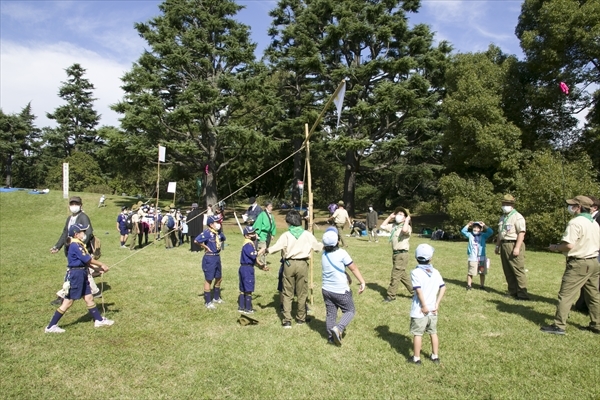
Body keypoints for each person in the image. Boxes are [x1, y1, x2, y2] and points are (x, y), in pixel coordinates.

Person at [541, 195, 600, 335]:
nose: (570, 207)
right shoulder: (594, 222)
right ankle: (597, 324)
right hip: (594, 262)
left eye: (573, 205)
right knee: (593, 295)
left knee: (566, 295)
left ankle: (559, 325)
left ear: (579, 207)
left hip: (579, 263)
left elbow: (569, 245)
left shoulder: (575, 222)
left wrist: (555, 247)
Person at [45, 224, 114, 333]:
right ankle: (51, 326)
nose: (85, 234)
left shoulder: (78, 244)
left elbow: (85, 262)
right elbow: (87, 259)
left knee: (89, 298)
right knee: (68, 302)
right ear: (76, 234)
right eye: (82, 232)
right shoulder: (75, 245)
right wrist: (102, 265)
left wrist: (97, 269)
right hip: (76, 275)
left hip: (82, 273)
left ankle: (98, 320)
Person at [259, 210, 322, 328]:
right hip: (302, 264)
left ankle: (287, 320)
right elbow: (318, 248)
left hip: (289, 264)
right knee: (302, 292)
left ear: (289, 222)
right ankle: (301, 318)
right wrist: (327, 243)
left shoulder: (286, 235)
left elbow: (276, 248)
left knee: (287, 293)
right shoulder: (307, 234)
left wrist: (266, 250)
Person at [50, 196, 101, 304]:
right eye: (72, 204)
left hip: (79, 251)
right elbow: (65, 233)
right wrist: (57, 246)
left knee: (71, 273)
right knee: (84, 273)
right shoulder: (69, 218)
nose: (74, 206)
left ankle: (62, 296)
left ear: (80, 205)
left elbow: (88, 232)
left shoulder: (83, 217)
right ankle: (95, 291)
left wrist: (80, 246)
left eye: (76, 204)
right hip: (71, 250)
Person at [321, 227, 366, 346]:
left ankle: (331, 337)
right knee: (350, 310)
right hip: (340, 290)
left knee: (331, 313)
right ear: (337, 241)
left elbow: (336, 268)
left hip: (326, 290)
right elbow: (354, 268)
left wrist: (346, 275)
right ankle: (339, 328)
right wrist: (362, 282)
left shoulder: (324, 254)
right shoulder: (342, 253)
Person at [407, 243, 446, 365]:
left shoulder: (415, 272)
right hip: (433, 310)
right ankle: (435, 356)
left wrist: (423, 305)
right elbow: (443, 287)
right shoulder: (435, 272)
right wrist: (437, 303)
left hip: (420, 310)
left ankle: (416, 358)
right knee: (433, 332)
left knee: (418, 334)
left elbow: (418, 290)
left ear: (416, 257)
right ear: (430, 258)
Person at [494, 194, 529, 300]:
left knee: (517, 269)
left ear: (512, 205)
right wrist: (497, 245)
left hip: (513, 243)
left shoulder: (517, 217)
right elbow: (501, 233)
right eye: (503, 203)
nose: (504, 205)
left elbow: (521, 233)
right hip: (504, 244)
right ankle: (512, 291)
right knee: (507, 270)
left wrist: (517, 247)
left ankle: (522, 294)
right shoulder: (503, 217)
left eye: (507, 204)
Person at [380, 207, 413, 302]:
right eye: (397, 214)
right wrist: (390, 217)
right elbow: (382, 227)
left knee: (395, 275)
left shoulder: (406, 227)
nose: (398, 215)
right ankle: (415, 292)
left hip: (402, 254)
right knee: (401, 274)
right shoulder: (394, 226)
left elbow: (405, 231)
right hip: (395, 254)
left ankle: (391, 295)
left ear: (405, 217)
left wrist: (407, 221)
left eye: (401, 214)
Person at [195, 215, 227, 309]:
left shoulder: (218, 233)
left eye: (219, 222)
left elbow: (223, 239)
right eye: (216, 222)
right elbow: (196, 240)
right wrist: (205, 247)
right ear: (211, 224)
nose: (218, 224)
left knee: (219, 278)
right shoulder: (207, 233)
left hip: (217, 257)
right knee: (209, 279)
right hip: (209, 258)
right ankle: (208, 301)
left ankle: (216, 297)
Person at [575, 196, 600, 312]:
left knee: (593, 285)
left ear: (594, 207)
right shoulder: (591, 219)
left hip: (594, 255)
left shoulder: (597, 219)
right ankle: (582, 305)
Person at [238, 226, 269, 314]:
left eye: (254, 232)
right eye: (251, 233)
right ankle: (248, 308)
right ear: (247, 236)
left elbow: (253, 259)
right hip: (247, 269)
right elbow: (253, 255)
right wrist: (262, 250)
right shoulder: (248, 244)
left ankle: (241, 306)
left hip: (244, 267)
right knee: (248, 288)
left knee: (243, 288)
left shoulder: (248, 243)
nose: (254, 234)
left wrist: (260, 265)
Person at [460, 221, 494, 291]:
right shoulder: (470, 235)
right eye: (474, 227)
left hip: (481, 257)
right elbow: (463, 231)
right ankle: (469, 285)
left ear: (481, 229)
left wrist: (484, 225)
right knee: (471, 272)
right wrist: (468, 225)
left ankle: (482, 285)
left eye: (478, 228)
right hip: (473, 257)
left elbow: (491, 232)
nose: (476, 229)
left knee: (482, 272)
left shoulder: (483, 235)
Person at [253, 201, 277, 266]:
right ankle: (261, 262)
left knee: (265, 249)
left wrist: (273, 234)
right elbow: (258, 224)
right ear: (266, 207)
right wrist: (257, 233)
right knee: (262, 248)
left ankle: (260, 261)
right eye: (270, 206)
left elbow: (273, 225)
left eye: (272, 206)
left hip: (268, 234)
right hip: (262, 234)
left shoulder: (271, 216)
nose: (271, 208)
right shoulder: (262, 215)